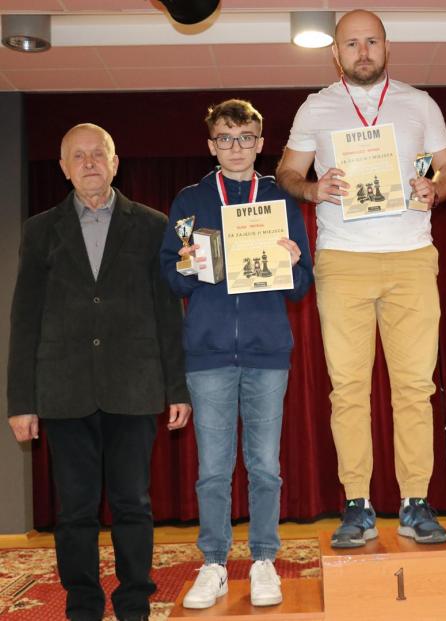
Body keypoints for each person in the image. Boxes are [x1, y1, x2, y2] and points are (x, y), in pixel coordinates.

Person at [275, 9, 446, 548]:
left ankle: (415, 502)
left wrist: (436, 187)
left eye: (371, 41)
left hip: (411, 257)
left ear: (387, 46)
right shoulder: (316, 106)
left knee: (415, 388)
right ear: (336, 53)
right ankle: (356, 503)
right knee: (349, 389)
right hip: (343, 260)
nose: (363, 51)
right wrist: (312, 189)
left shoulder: (419, 103)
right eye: (352, 43)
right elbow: (288, 171)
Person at [7, 123, 191, 621]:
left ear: (115, 163)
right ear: (63, 169)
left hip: (134, 387)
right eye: (78, 156)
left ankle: (134, 602)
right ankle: (83, 605)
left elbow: (167, 313)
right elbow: (24, 320)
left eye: (98, 154)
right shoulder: (39, 230)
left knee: (133, 504)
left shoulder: (152, 225)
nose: (89, 163)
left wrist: (177, 388)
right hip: (63, 392)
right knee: (74, 510)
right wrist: (21, 402)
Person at [160, 99, 312, 609]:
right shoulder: (190, 201)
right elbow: (170, 277)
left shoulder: (280, 199)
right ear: (212, 146)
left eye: (245, 138)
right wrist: (185, 265)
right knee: (213, 469)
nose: (236, 148)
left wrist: (293, 261)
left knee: (265, 466)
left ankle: (264, 559)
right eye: (225, 138)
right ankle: (214, 563)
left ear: (260, 143)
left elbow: (301, 284)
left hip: (267, 352)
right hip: (207, 353)